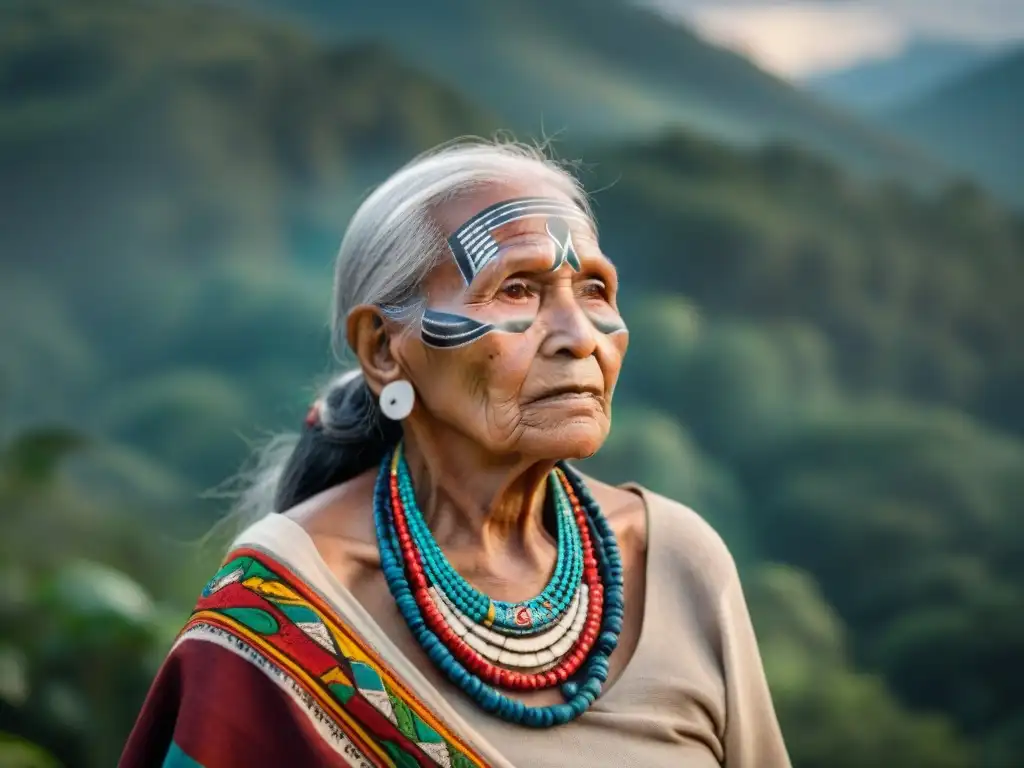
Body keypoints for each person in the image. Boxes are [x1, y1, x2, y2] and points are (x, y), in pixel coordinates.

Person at [120, 139, 790, 768]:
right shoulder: (282, 613)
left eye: (594, 290)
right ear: (384, 349)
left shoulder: (676, 563)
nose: (579, 336)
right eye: (517, 289)